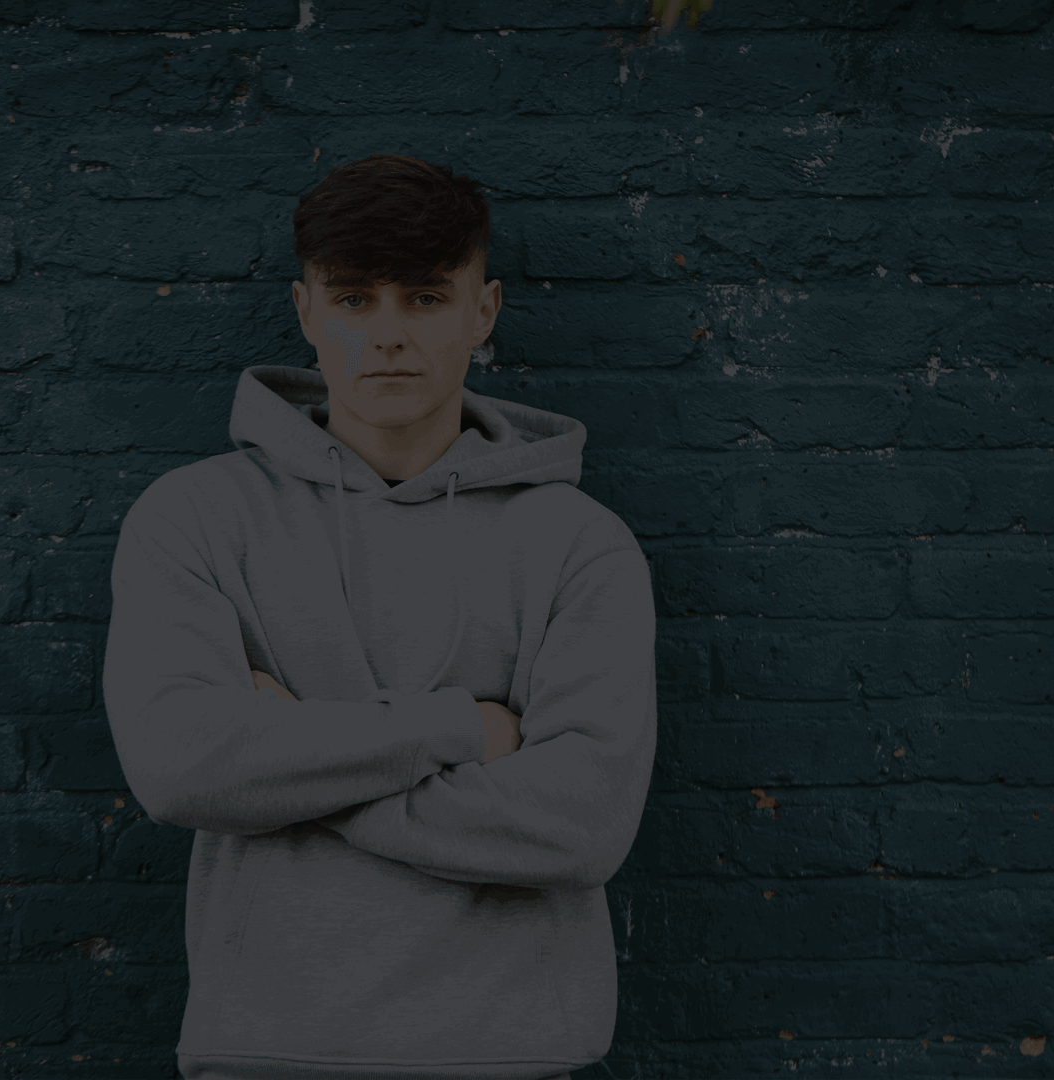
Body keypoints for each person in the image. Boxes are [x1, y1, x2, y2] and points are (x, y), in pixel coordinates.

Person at [102, 153, 658, 1080]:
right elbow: (180, 767)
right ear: (306, 312)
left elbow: (584, 824)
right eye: (356, 300)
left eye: (427, 299)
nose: (389, 336)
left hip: (509, 1054)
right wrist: (455, 728)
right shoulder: (196, 517)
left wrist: (283, 756)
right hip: (267, 1051)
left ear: (483, 314)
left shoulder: (577, 542)